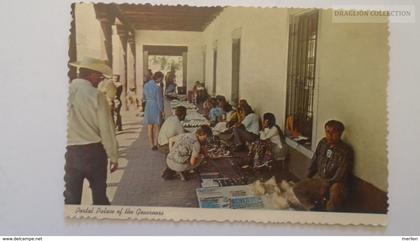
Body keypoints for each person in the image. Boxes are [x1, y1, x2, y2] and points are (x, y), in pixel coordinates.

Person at [65, 57, 119, 205]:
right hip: (93, 152)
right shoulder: (96, 95)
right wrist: (113, 156)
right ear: (91, 74)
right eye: (99, 75)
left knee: (71, 199)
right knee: (100, 196)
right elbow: (106, 129)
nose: (100, 78)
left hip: (69, 153)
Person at [291, 120, 353, 211]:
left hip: (335, 183)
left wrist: (325, 184)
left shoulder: (345, 151)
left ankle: (329, 216)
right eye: (327, 131)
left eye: (334, 132)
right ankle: (311, 209)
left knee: (336, 191)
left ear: (340, 133)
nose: (330, 135)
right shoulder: (322, 143)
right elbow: (314, 162)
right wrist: (307, 178)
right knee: (297, 188)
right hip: (320, 178)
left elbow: (340, 174)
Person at [143, 71, 164, 150]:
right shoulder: (157, 88)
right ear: (158, 78)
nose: (161, 81)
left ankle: (151, 145)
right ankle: (156, 144)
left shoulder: (145, 85)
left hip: (148, 105)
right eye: (161, 79)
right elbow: (159, 100)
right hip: (155, 106)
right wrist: (162, 110)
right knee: (157, 126)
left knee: (149, 126)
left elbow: (144, 96)